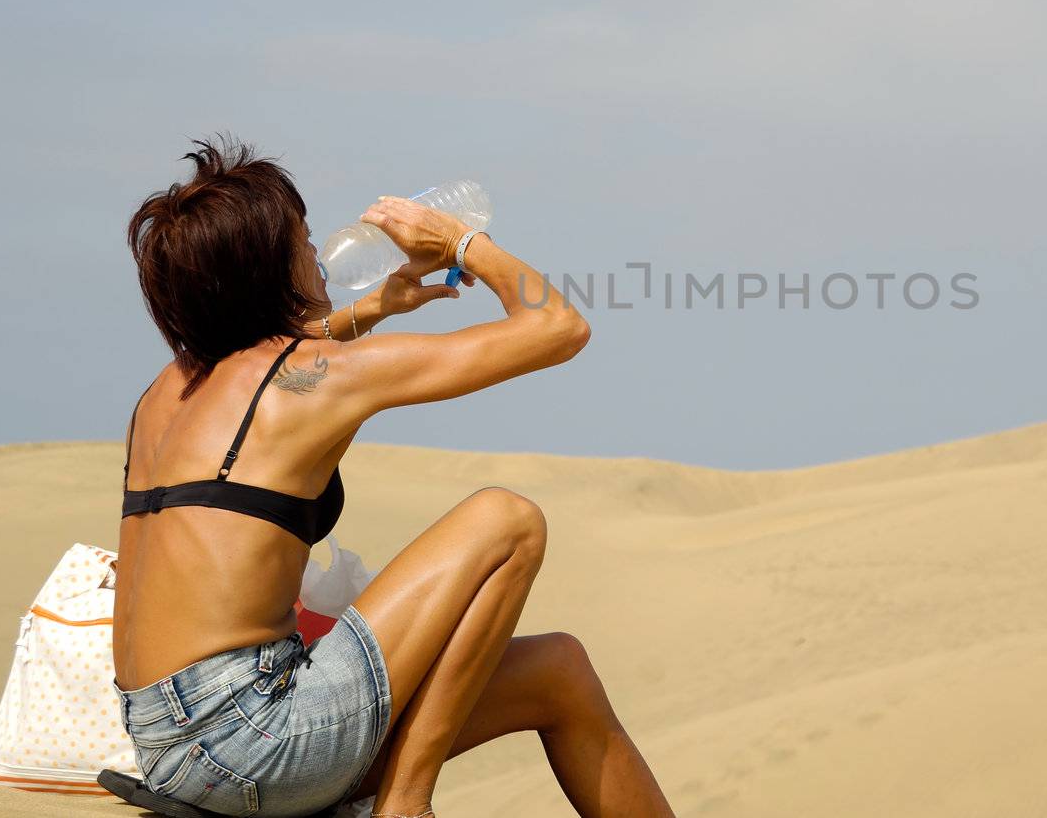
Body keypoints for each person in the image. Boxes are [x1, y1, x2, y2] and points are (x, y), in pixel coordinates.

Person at [113, 134, 674, 818]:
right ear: (267, 268)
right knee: (507, 518)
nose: (317, 255)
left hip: (165, 745)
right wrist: (463, 244)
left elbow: (279, 364)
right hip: (255, 742)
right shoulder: (308, 382)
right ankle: (406, 805)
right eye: (303, 239)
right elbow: (558, 326)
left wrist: (376, 306)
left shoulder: (163, 396)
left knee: (560, 671)